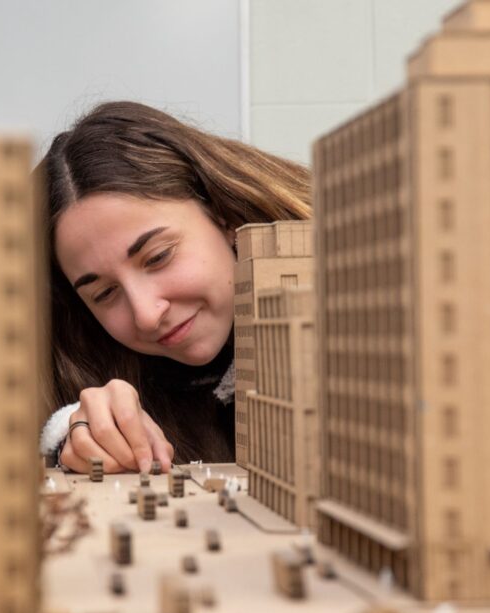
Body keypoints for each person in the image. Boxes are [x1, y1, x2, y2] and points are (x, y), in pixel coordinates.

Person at [36, 101, 310, 475]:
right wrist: (76, 433)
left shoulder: (372, 285)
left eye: (158, 257)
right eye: (104, 294)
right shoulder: (95, 355)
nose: (147, 315)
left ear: (224, 215)